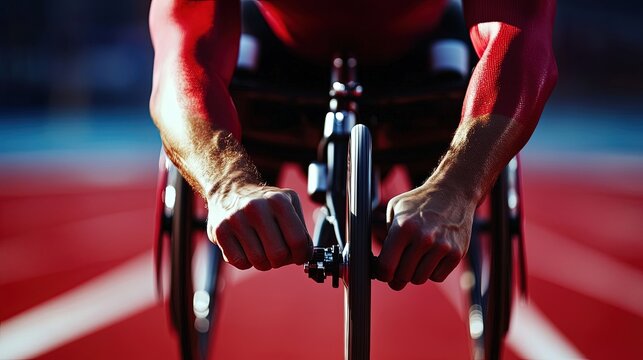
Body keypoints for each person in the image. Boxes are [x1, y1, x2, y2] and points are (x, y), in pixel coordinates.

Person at [148, 0, 557, 291]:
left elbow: (521, 37)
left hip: (421, 58)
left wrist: (456, 189)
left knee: (466, 81)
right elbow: (180, 53)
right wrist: (226, 183)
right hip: (278, 54)